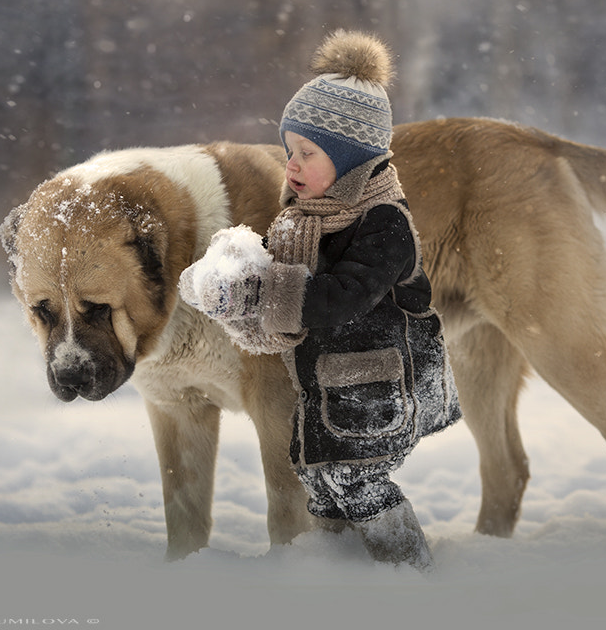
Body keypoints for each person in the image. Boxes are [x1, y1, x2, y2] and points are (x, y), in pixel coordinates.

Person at [179, 30, 460, 571]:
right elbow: (281, 273)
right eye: (289, 151)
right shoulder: (306, 221)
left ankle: (408, 569)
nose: (291, 165)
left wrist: (263, 291)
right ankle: (338, 572)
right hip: (329, 385)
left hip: (381, 384)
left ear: (352, 159)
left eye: (307, 153)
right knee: (318, 478)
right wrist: (229, 277)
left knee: (357, 478)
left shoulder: (385, 224)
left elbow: (341, 296)